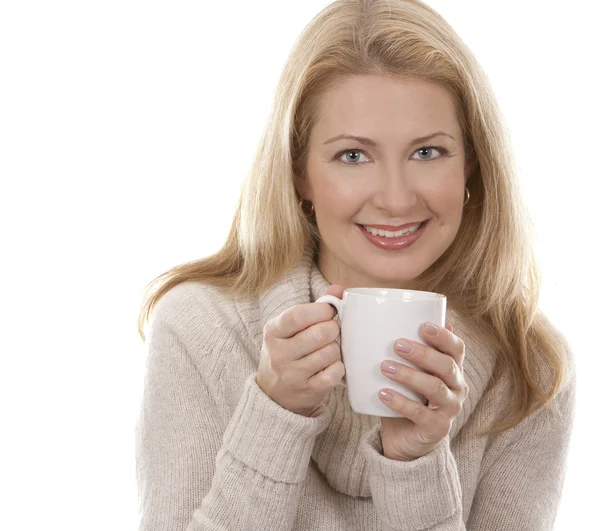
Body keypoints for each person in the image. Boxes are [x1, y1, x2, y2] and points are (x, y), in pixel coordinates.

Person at [135, 0, 576, 529]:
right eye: (352, 156)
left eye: (428, 152)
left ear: (472, 166)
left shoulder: (529, 370)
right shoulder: (202, 328)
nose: (394, 199)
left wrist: (414, 465)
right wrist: (275, 416)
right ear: (299, 172)